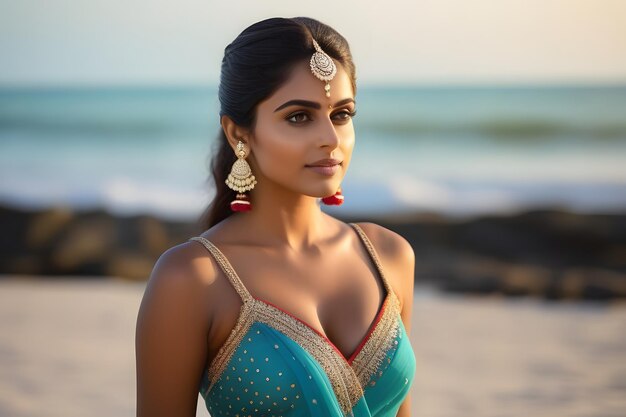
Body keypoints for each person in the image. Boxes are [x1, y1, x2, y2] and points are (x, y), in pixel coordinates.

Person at [135, 16, 416, 417]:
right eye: (299, 116)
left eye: (341, 114)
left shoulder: (389, 257)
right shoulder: (192, 279)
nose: (331, 139)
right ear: (238, 134)